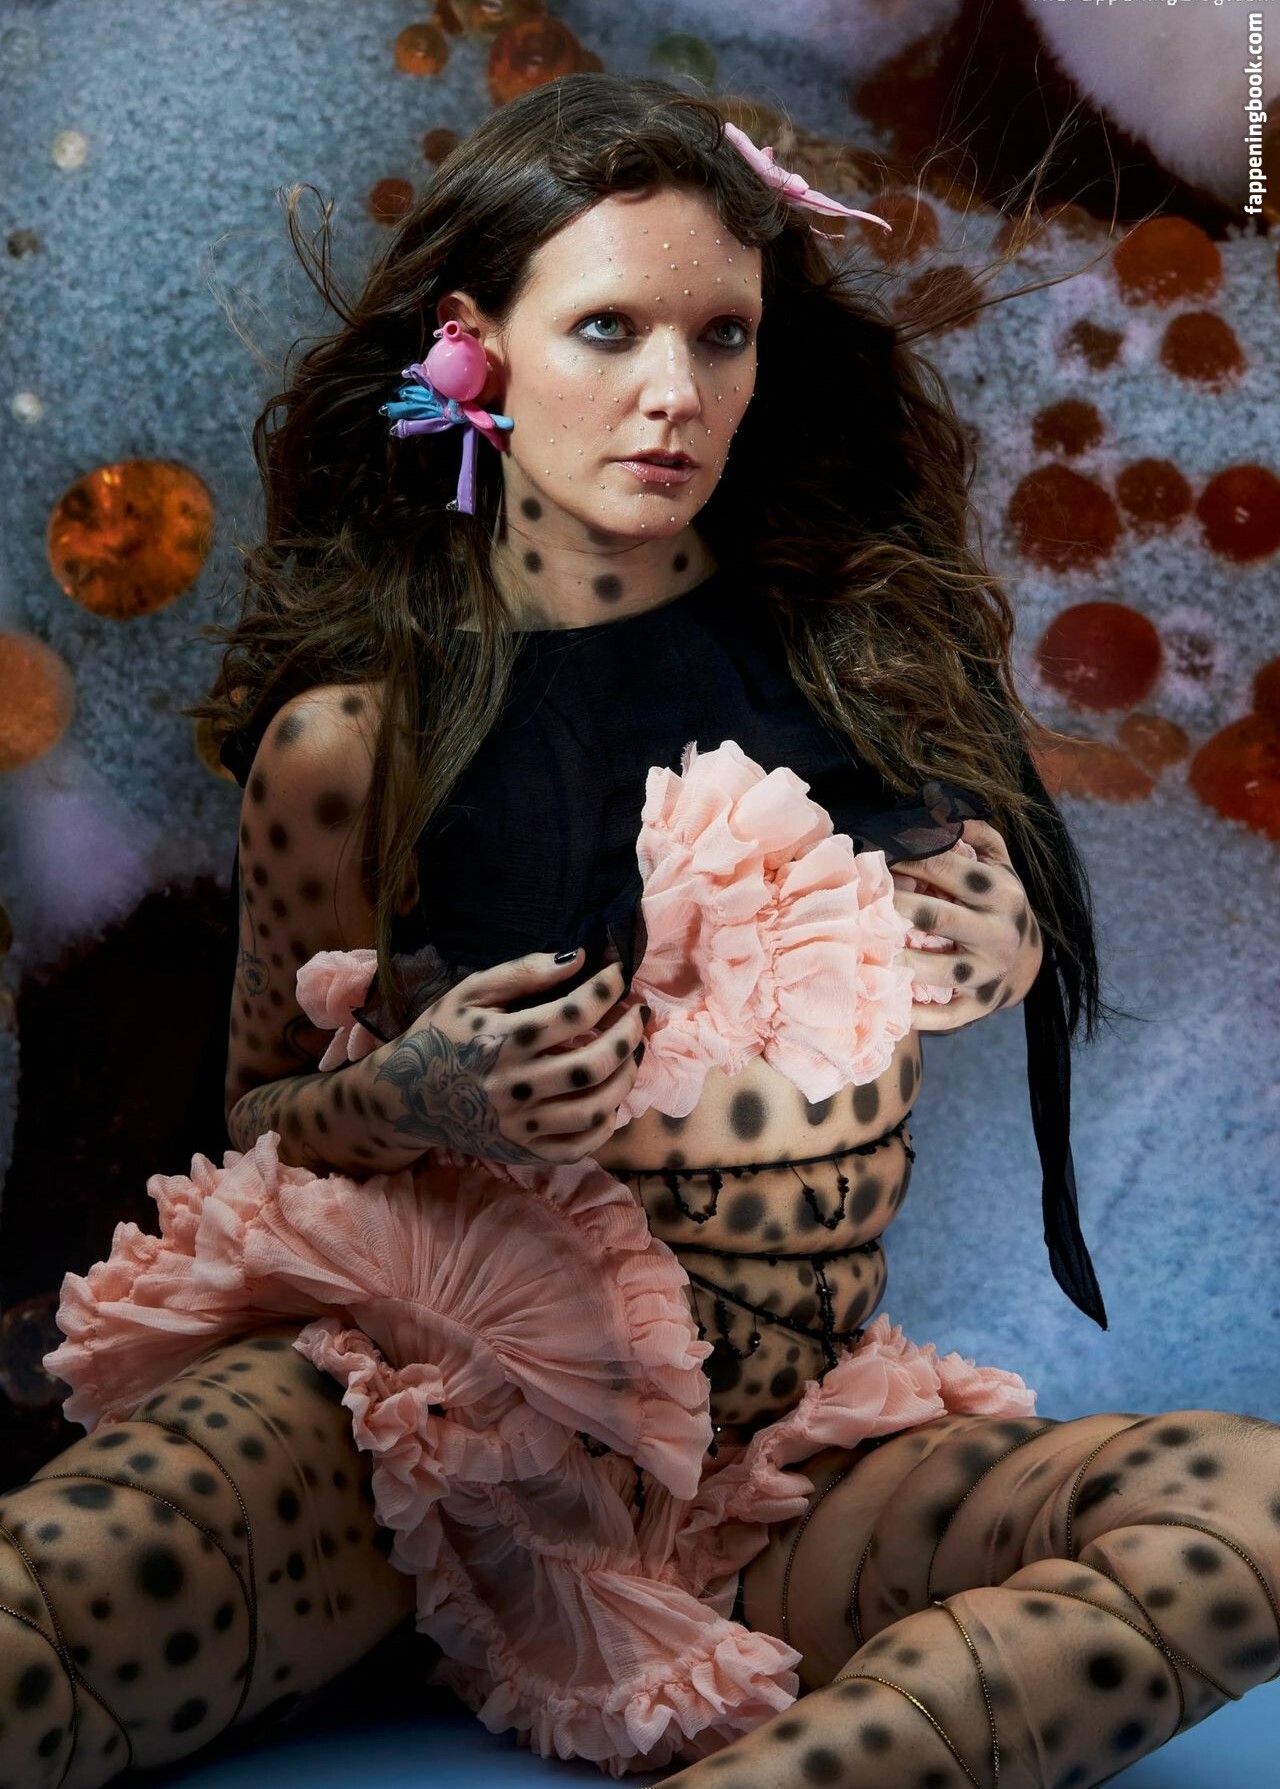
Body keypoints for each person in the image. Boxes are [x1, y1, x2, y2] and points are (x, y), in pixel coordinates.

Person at [1, 71, 1276, 1789]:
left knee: (1249, 1515)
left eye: (722, 335)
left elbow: (969, 892)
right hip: (401, 1430)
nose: (676, 392)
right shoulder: (358, 738)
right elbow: (256, 1117)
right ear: (478, 347)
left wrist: (1004, 932)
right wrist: (419, 1090)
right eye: (610, 328)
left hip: (769, 1473)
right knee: (51, 1610)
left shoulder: (855, 668)